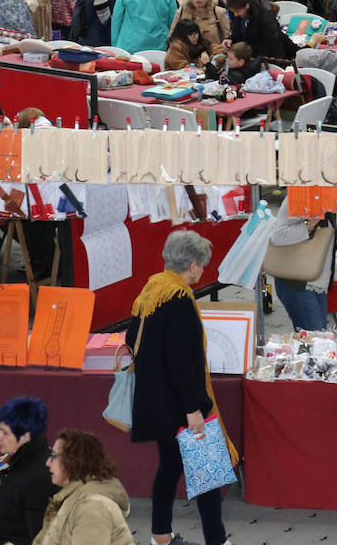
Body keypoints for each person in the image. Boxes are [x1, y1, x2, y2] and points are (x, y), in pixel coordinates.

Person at [127, 230, 235, 545]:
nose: (202, 272)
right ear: (191, 266)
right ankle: (216, 540)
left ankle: (160, 535)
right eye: (202, 266)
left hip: (155, 401)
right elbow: (182, 363)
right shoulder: (179, 300)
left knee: (169, 468)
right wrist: (193, 409)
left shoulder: (152, 288)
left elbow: (131, 339)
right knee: (207, 473)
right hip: (180, 405)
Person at [0, 397, 57, 545]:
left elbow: (41, 539)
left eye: (4, 432)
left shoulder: (40, 478)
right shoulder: (14, 461)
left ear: (26, 436)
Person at [32, 430, 134, 545]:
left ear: (75, 461)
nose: (47, 463)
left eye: (54, 456)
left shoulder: (92, 508)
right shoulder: (70, 498)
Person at [225, 0, 293, 61]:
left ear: (247, 6)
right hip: (246, 56)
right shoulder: (236, 13)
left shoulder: (265, 17)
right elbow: (237, 32)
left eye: (238, 11)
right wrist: (230, 39)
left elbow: (271, 44)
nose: (235, 15)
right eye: (232, 11)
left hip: (268, 59)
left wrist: (245, 50)